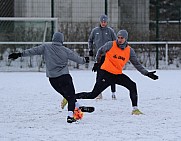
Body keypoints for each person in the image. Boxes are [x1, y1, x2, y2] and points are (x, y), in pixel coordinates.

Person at [8, 32, 91, 123]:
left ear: (53, 39)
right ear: (62, 40)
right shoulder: (65, 50)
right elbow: (77, 58)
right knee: (70, 96)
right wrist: (84, 60)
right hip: (64, 77)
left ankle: (78, 106)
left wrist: (19, 54)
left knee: (67, 96)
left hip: (53, 79)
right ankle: (70, 116)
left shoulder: (46, 47)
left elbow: (33, 51)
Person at [75, 29, 159, 115]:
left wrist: (147, 73)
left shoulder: (129, 51)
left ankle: (135, 109)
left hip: (117, 74)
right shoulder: (111, 44)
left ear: (125, 39)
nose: (119, 39)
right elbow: (100, 51)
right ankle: (70, 97)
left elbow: (137, 64)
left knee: (132, 85)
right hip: (106, 74)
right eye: (118, 37)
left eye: (121, 38)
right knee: (93, 95)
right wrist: (97, 62)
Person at [88, 14, 117, 100]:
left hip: (108, 56)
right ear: (100, 22)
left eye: (105, 22)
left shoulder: (110, 31)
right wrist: (90, 50)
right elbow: (90, 40)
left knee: (111, 73)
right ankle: (98, 92)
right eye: (102, 21)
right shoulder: (95, 31)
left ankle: (113, 92)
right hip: (99, 56)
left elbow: (115, 42)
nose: (103, 23)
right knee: (99, 74)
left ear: (107, 22)